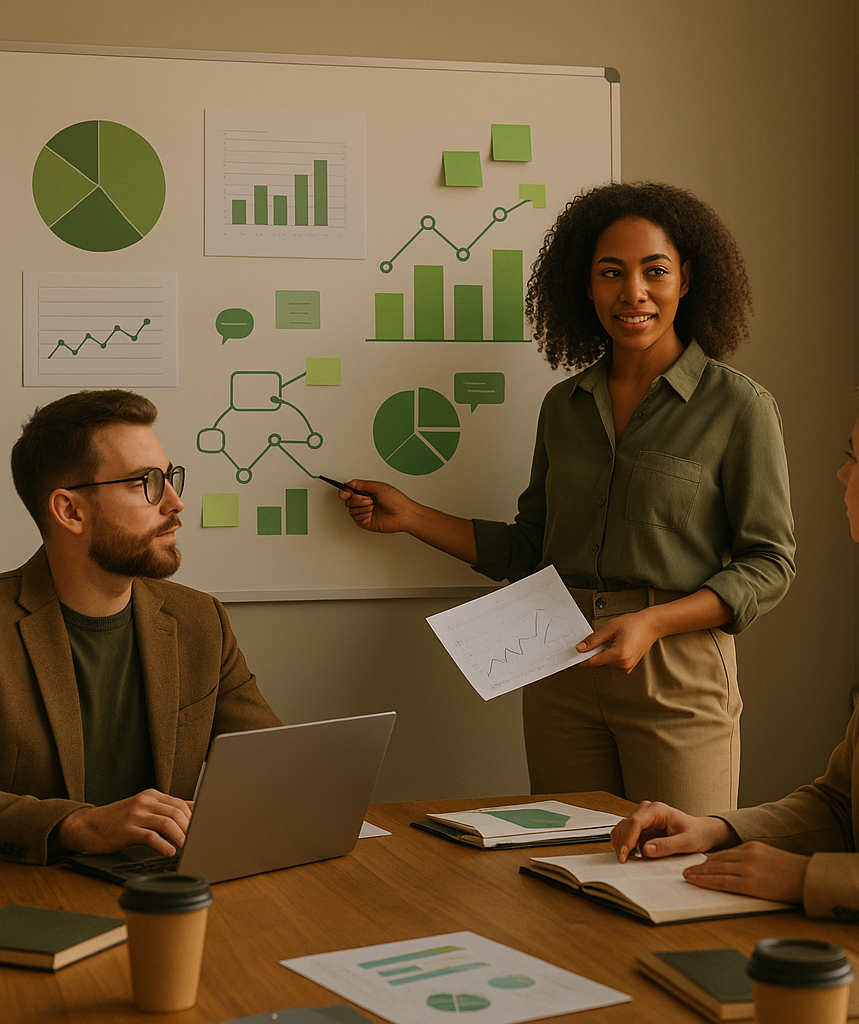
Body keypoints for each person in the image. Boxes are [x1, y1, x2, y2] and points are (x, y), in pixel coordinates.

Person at [336, 182, 796, 812]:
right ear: (585, 286)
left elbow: (770, 564)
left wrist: (653, 623)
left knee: (679, 871)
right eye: (611, 273)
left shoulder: (739, 407)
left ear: (686, 280)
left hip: (675, 669)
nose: (632, 293)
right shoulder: (564, 408)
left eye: (653, 271)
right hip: (561, 664)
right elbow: (530, 550)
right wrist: (411, 516)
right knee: (568, 866)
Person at [610, 361, 859, 955]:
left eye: (854, 457)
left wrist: (803, 879)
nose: (840, 473)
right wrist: (716, 830)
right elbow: (841, 803)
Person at [0, 389, 281, 866]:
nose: (175, 502)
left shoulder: (200, 621)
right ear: (70, 511)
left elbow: (274, 764)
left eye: (169, 478)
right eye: (144, 483)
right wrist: (78, 825)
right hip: (30, 896)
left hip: (172, 889)